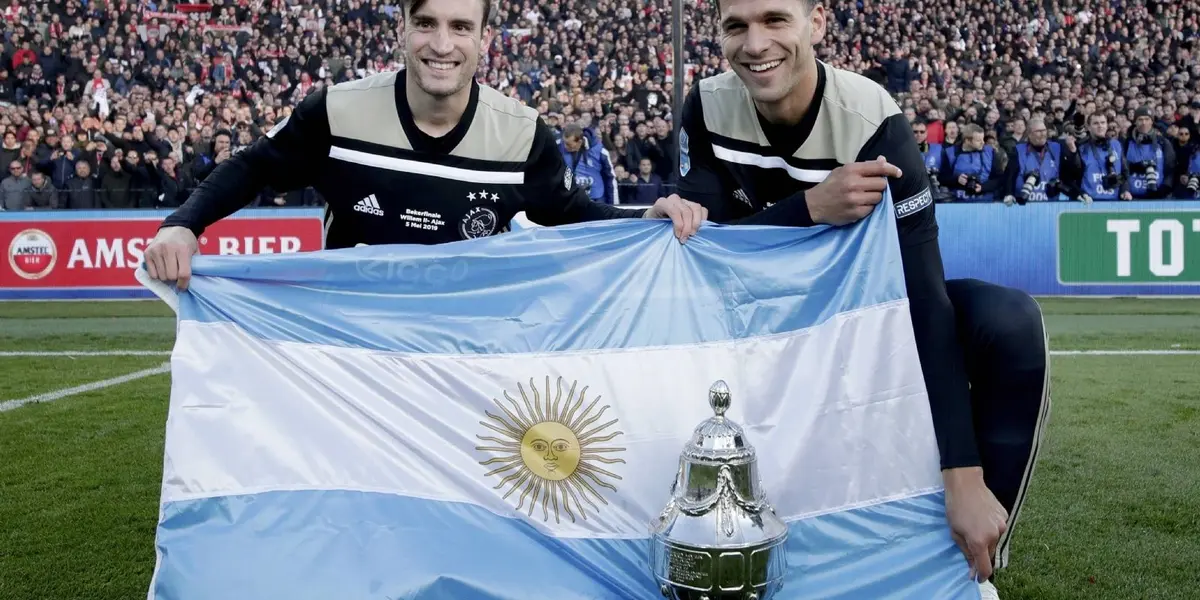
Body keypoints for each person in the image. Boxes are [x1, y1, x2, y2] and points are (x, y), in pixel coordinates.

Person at [663, 1, 1050, 598]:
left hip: (855, 334)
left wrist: (963, 473)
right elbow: (705, 256)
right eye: (736, 26)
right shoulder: (708, 103)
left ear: (816, 25)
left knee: (1005, 320)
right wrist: (808, 210)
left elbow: (923, 297)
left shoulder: (872, 118)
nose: (754, 43)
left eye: (774, 20)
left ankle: (974, 557)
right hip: (751, 336)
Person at [142, 0, 706, 290]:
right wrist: (185, 222)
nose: (442, 44)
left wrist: (642, 217)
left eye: (461, 26)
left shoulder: (519, 132)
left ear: (485, 39)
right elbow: (254, 167)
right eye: (426, 23)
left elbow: (572, 213)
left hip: (460, 343)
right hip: (353, 335)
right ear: (401, 30)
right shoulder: (338, 111)